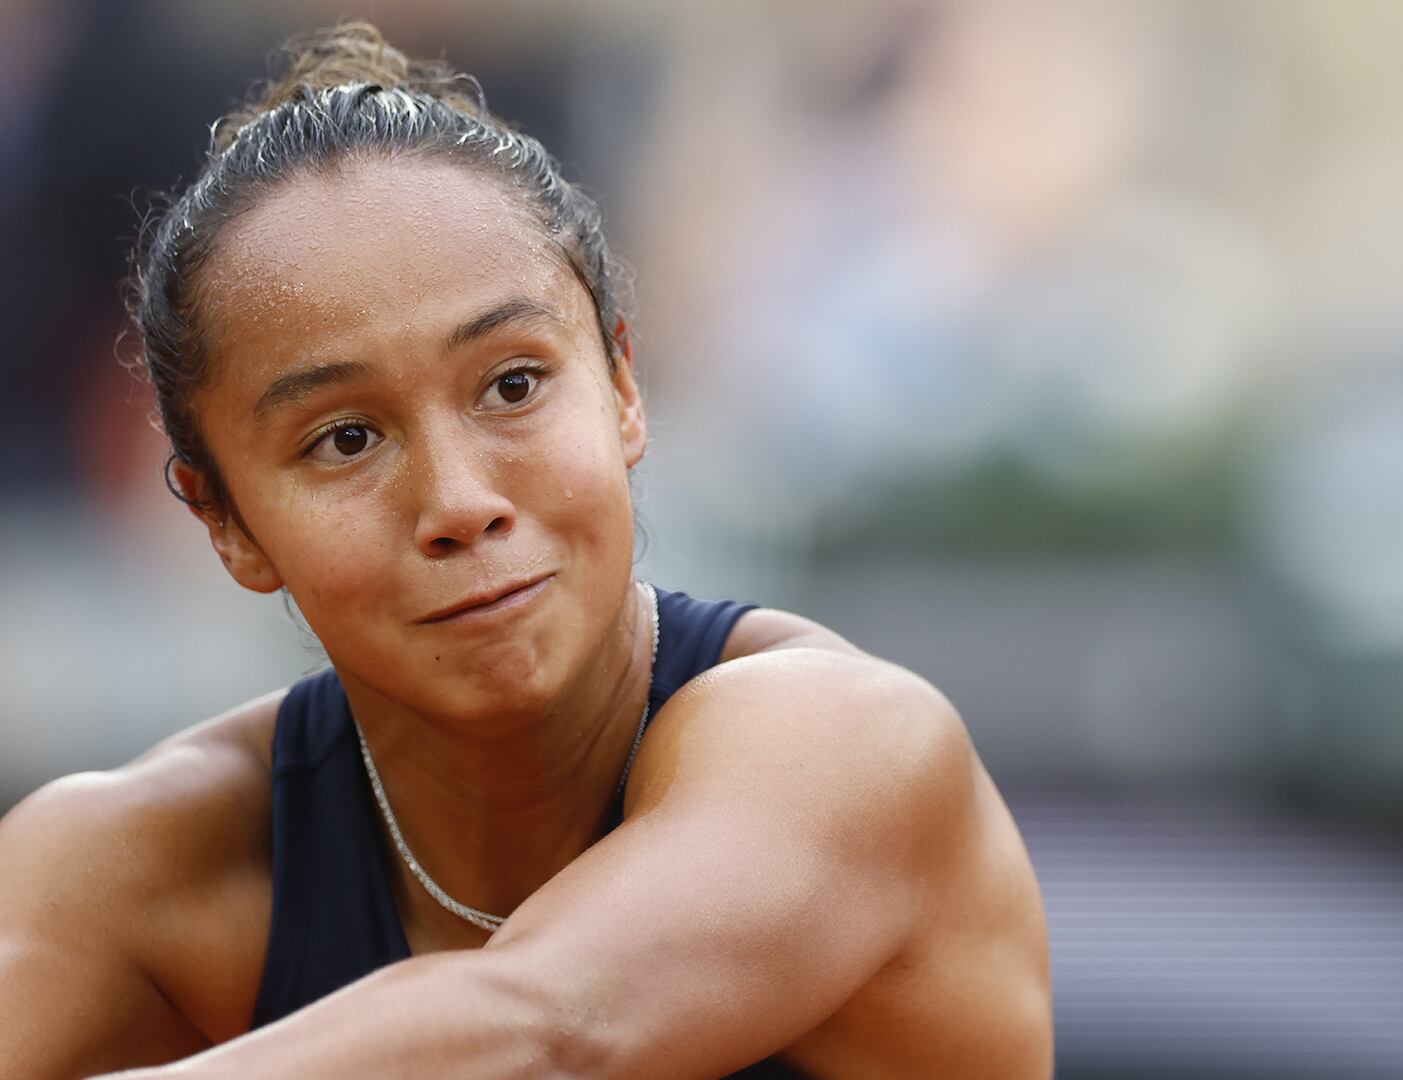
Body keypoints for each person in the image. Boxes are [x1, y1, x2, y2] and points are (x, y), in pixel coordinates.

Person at [0, 22, 1052, 1080]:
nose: (460, 504)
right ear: (224, 520)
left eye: (513, 385)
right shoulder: (119, 867)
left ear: (624, 387)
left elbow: (551, 1032)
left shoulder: (853, 747)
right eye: (345, 440)